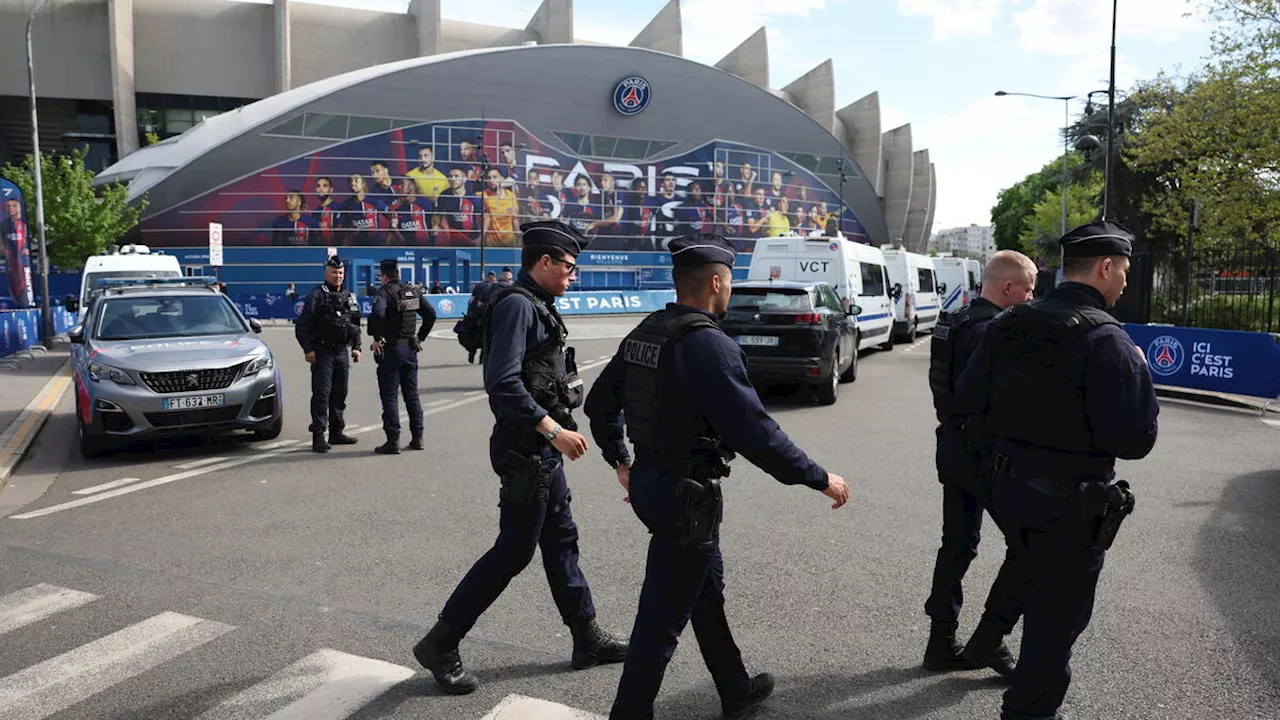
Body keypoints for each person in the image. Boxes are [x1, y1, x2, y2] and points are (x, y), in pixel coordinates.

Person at [584, 233, 852, 720]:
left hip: (653, 482)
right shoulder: (709, 345)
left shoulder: (648, 331)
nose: (730, 291)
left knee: (703, 591)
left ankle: (734, 688)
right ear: (715, 282)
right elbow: (755, 432)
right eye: (730, 283)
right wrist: (819, 478)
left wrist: (620, 461)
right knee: (661, 618)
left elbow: (599, 402)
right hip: (687, 496)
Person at [412, 220, 629, 694]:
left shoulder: (539, 306)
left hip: (542, 451)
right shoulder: (516, 306)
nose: (575, 276)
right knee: (512, 552)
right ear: (544, 261)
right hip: (526, 450)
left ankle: (585, 636)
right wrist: (553, 430)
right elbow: (503, 383)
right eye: (569, 267)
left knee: (562, 542)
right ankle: (440, 643)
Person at [956, 220, 1158, 720]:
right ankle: (1028, 711)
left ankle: (988, 645)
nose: (1126, 282)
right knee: (1055, 624)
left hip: (1007, 490)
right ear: (1105, 268)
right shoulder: (1107, 340)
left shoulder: (1008, 322)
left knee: (1029, 578)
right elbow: (1135, 440)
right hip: (1067, 508)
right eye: (1125, 271)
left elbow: (968, 400)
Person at [923, 250, 1037, 679]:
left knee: (957, 545)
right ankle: (990, 639)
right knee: (1031, 544)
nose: (1031, 298)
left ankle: (941, 640)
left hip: (952, 447)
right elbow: (998, 400)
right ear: (1008, 287)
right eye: (1028, 289)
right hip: (986, 456)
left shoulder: (953, 321)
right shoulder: (994, 330)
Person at [368, 259, 436, 454]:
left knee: (390, 396)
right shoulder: (411, 290)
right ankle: (418, 437)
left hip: (391, 348)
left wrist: (377, 337)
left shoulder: (384, 292)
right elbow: (430, 313)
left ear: (384, 276)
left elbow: (378, 314)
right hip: (410, 348)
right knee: (412, 395)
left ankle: (393, 440)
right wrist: (419, 338)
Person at [296, 256, 363, 453]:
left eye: (340, 273)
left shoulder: (348, 296)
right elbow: (302, 325)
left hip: (342, 351)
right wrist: (308, 349)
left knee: (340, 393)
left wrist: (356, 347)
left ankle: (337, 432)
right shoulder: (317, 295)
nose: (337, 276)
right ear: (326, 273)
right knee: (322, 394)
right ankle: (318, 435)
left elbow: (355, 324)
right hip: (323, 351)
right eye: (334, 273)